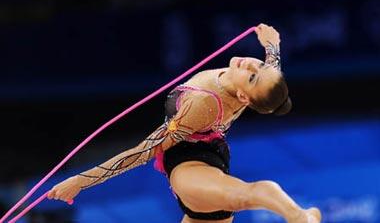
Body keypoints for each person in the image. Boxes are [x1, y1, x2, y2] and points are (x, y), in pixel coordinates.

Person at [47, 24, 321, 223]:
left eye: (252, 77)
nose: (251, 66)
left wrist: (80, 181)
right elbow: (271, 77)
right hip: (203, 161)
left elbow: (144, 151)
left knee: (242, 195)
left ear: (242, 97)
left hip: (192, 164)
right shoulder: (253, 82)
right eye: (258, 66)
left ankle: (299, 216)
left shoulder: (203, 105)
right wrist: (273, 46)